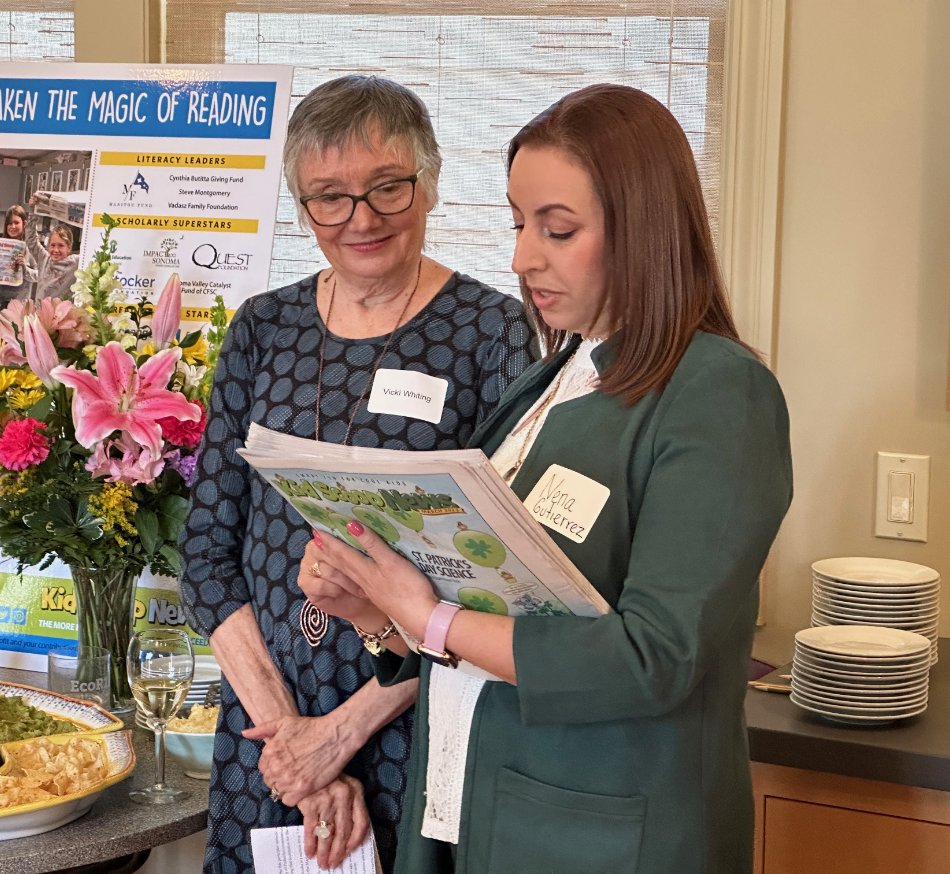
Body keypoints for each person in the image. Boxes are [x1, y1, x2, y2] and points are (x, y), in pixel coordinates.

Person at [300, 83, 794, 873]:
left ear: (645, 229)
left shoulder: (717, 393)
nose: (524, 256)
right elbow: (487, 608)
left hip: (601, 831)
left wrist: (427, 621)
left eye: (558, 229)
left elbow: (654, 656)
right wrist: (378, 611)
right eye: (519, 223)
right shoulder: (555, 377)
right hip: (473, 802)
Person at [179, 74, 539, 874]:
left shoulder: (493, 332)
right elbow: (206, 555)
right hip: (265, 748)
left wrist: (338, 734)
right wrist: (296, 753)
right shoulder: (262, 329)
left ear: (431, 181)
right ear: (302, 206)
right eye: (329, 198)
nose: (361, 220)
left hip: (417, 733)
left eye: (387, 189)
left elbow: (505, 582)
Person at [25, 195, 78, 300]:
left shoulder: (75, 263)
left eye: (61, 246)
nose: (56, 250)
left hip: (63, 315)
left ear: (69, 248)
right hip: (39, 313)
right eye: (52, 245)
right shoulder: (44, 258)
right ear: (48, 245)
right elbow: (31, 240)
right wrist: (33, 210)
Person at [0, 204, 37, 306]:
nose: (12, 226)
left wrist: (24, 268)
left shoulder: (32, 249)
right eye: (9, 223)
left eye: (16, 222)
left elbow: (39, 276)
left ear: (24, 224)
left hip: (19, 304)